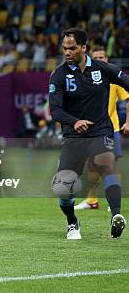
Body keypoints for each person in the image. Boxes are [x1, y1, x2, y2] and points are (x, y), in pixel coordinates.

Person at [48, 28, 128, 240]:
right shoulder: (58, 75)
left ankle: (116, 216)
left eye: (72, 48)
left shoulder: (103, 69)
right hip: (73, 139)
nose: (67, 52)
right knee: (63, 190)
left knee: (108, 166)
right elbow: (55, 110)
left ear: (84, 48)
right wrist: (74, 122)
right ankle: (72, 222)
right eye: (64, 48)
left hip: (100, 132)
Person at [74, 45, 128, 210]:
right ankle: (92, 200)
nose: (99, 60)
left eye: (102, 58)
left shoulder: (113, 78)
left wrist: (128, 122)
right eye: (95, 58)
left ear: (107, 59)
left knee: (113, 164)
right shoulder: (85, 77)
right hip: (91, 130)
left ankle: (113, 202)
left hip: (112, 128)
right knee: (92, 165)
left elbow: (127, 98)